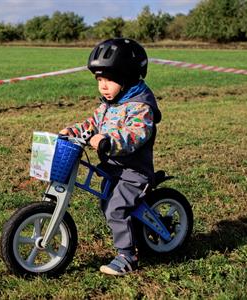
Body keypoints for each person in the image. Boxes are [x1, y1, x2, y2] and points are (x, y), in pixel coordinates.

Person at [60, 38, 162, 275]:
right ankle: (131, 234)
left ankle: (128, 256)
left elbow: (135, 134)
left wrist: (109, 142)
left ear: (128, 78)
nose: (103, 87)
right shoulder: (109, 104)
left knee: (116, 209)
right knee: (109, 205)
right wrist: (72, 131)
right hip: (114, 170)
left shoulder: (140, 107)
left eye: (110, 80)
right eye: (99, 80)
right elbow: (92, 124)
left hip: (133, 173)